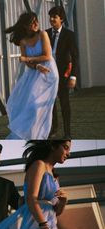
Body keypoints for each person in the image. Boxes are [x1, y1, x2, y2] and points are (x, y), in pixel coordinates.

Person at [5, 12, 59, 140]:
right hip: (34, 72)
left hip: (48, 73)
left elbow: (47, 56)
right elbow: (28, 64)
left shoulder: (43, 34)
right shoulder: (23, 41)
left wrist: (26, 59)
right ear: (25, 25)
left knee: (36, 105)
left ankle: (38, 134)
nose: (36, 24)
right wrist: (35, 65)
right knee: (22, 104)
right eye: (32, 22)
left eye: (36, 21)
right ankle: (30, 134)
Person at [46, 6, 78, 139]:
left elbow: (75, 56)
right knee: (50, 104)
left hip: (63, 75)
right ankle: (54, 128)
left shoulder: (69, 35)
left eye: (55, 17)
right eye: (51, 16)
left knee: (64, 103)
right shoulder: (46, 33)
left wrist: (73, 76)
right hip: (48, 75)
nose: (52, 19)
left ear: (62, 19)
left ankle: (67, 132)